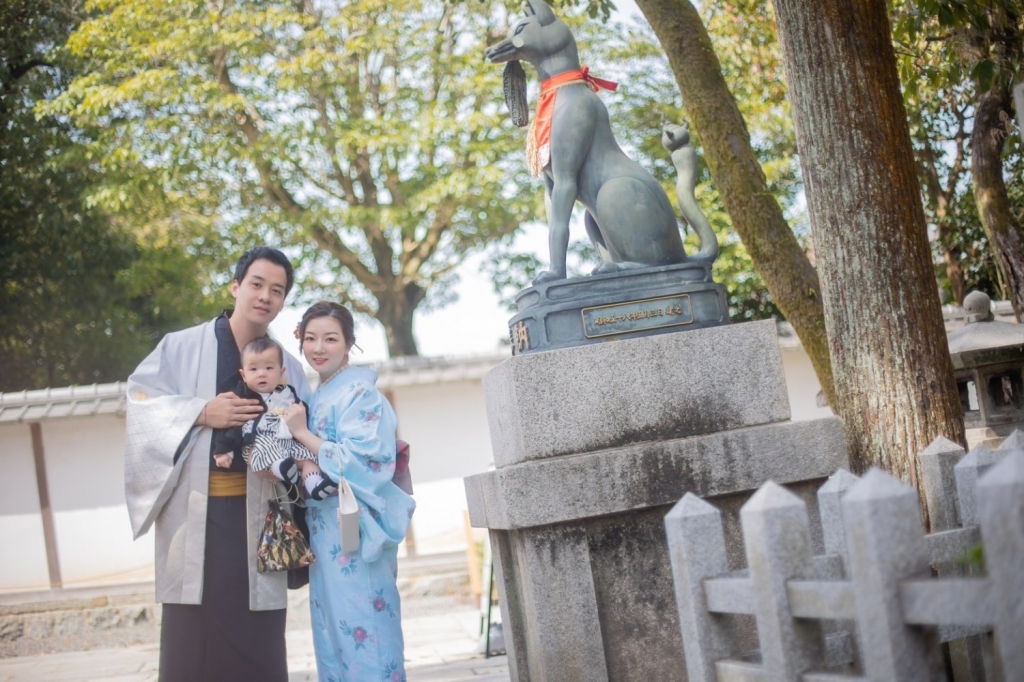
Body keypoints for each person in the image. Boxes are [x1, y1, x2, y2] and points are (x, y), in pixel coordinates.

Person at [124, 247, 310, 681]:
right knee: (193, 641)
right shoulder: (180, 347)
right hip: (197, 515)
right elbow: (140, 403)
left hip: (264, 517)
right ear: (235, 286)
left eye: (277, 290)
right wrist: (202, 412)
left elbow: (306, 437)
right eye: (257, 284)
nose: (265, 296)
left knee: (260, 636)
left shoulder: (288, 368)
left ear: (283, 301)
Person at [284, 301, 415, 682]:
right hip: (326, 531)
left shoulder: (360, 394)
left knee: (366, 629)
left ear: (348, 343)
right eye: (311, 338)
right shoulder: (319, 394)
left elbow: (365, 461)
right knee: (333, 632)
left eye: (330, 339)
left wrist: (302, 434)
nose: (318, 348)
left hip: (355, 529)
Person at [212, 337, 334, 500]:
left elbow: (302, 412)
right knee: (268, 450)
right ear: (243, 375)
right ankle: (282, 468)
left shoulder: (287, 393)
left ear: (281, 372)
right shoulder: (242, 398)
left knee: (308, 457)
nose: (262, 373)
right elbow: (229, 425)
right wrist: (223, 450)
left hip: (288, 441)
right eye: (253, 369)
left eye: (269, 368)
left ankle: (314, 485)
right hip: (258, 442)